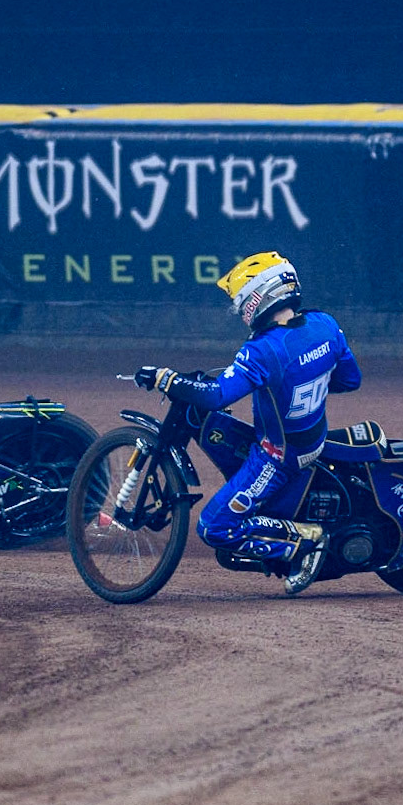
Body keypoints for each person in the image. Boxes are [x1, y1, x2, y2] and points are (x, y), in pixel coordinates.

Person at [134, 251, 361, 595]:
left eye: (241, 301)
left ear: (260, 297)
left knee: (213, 527)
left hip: (277, 458)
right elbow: (349, 380)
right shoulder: (325, 324)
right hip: (312, 439)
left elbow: (216, 397)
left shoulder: (263, 350)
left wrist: (169, 379)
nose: (240, 311)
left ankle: (304, 542)